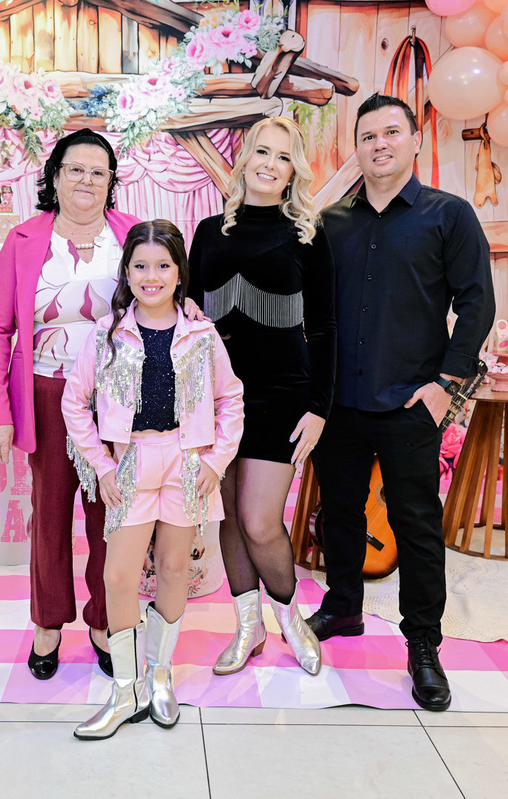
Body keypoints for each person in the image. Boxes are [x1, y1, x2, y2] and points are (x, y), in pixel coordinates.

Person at [0, 130, 203, 679]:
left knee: (114, 517)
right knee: (50, 514)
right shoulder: (23, 240)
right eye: (75, 169)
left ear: (111, 182)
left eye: (98, 172)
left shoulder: (130, 233)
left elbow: (165, 289)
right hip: (46, 391)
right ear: (54, 177)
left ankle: (106, 622)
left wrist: (190, 308)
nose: (86, 180)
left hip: (122, 399)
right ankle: (48, 623)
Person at [311, 94, 495, 712]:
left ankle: (422, 644)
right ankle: (343, 606)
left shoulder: (449, 215)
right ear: (356, 149)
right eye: (367, 136)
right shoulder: (332, 222)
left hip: (413, 401)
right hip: (341, 401)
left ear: (415, 140)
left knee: (416, 526)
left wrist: (446, 385)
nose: (380, 144)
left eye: (391, 132)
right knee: (339, 512)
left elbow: (477, 302)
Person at [62, 220, 244, 739]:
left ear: (180, 272)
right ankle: (126, 691)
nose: (151, 276)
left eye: (163, 265)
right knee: (118, 576)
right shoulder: (108, 333)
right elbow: (75, 402)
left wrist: (215, 462)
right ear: (126, 272)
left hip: (186, 463)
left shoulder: (201, 335)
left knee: (172, 569)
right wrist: (102, 466)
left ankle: (159, 675)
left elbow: (231, 399)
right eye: (140, 266)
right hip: (131, 462)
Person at [187, 116, 335, 677]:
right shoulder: (208, 232)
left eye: (283, 156)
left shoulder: (308, 234)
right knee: (227, 516)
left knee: (258, 521)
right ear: (244, 157)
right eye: (262, 152)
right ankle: (248, 629)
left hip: (282, 395)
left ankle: (291, 621)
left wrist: (319, 408)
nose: (270, 164)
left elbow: (324, 327)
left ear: (294, 170)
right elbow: (188, 315)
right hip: (215, 398)